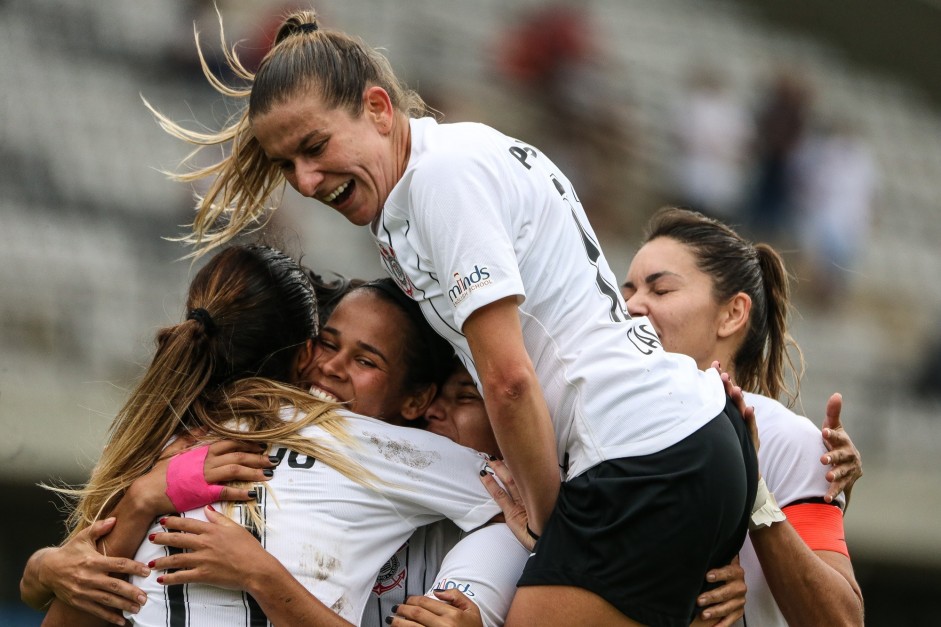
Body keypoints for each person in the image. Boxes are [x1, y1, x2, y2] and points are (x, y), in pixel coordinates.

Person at [151, 8, 759, 625]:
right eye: (286, 165)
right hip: (672, 441)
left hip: (640, 453)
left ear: (380, 109)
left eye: (315, 147)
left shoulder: (443, 179)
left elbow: (509, 381)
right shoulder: (408, 199)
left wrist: (552, 529)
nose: (306, 181)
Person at [33, 244, 504, 627]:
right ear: (305, 352)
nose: (333, 368)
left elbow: (521, 512)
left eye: (366, 361)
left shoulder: (166, 447)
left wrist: (473, 598)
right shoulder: (176, 455)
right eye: (329, 344)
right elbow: (530, 510)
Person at [621, 207, 864, 625]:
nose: (633, 306)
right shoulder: (600, 420)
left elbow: (841, 621)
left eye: (659, 291)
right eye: (628, 292)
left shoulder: (785, 438)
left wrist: (755, 496)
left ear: (732, 313)